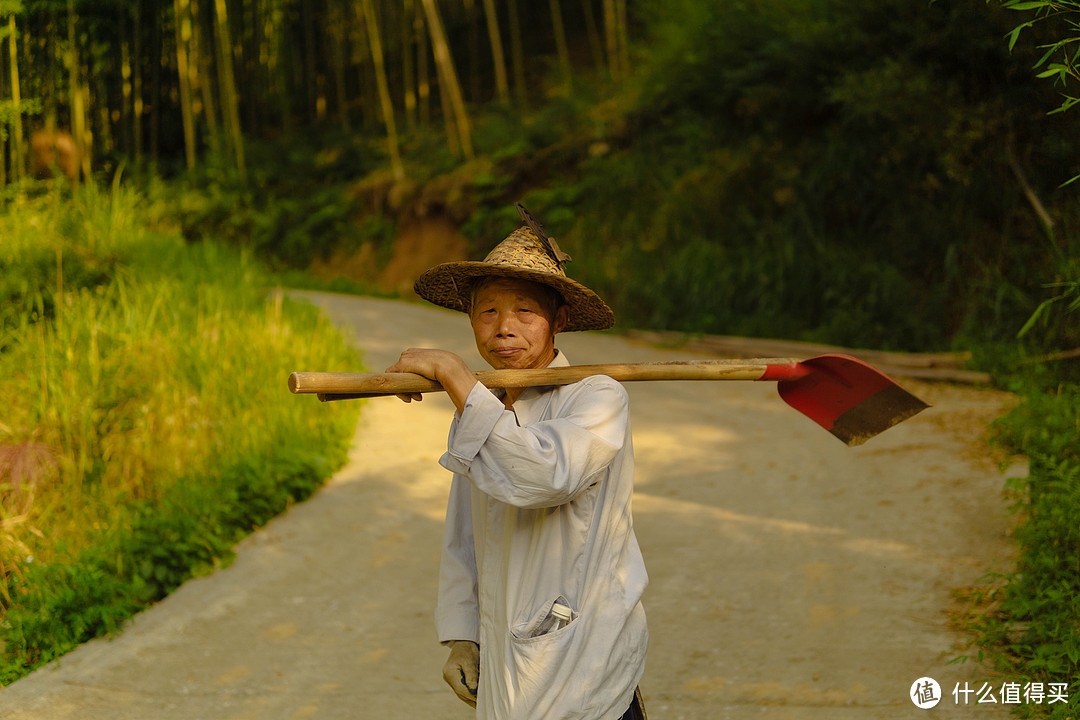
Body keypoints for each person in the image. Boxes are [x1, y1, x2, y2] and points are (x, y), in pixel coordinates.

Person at [386, 206, 648, 720]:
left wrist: (453, 374)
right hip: (508, 660)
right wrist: (462, 638)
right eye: (488, 312)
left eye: (525, 311)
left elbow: (544, 476)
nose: (504, 328)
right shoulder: (482, 406)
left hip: (586, 655)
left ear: (559, 321)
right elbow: (464, 532)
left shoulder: (596, 398)